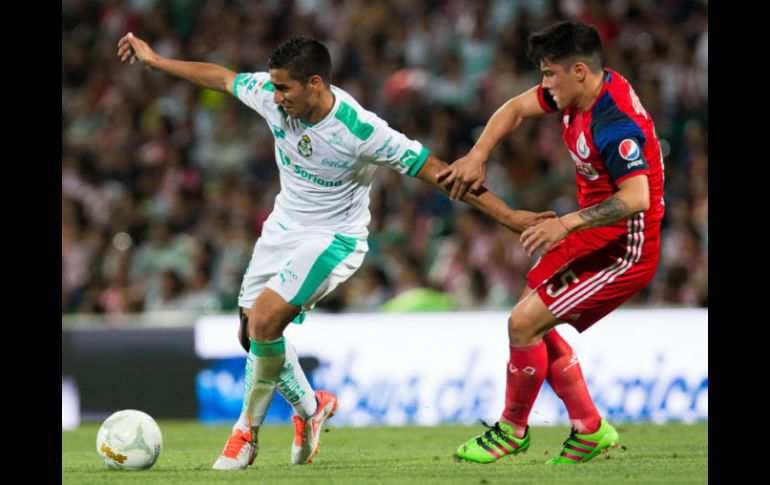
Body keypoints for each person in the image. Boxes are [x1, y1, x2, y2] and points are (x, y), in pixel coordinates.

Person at [117, 33, 554, 470]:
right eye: (273, 85)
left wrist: (509, 216)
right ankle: (311, 409)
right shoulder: (271, 97)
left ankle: (244, 434)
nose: (275, 94)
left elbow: (439, 172)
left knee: (267, 320)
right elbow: (223, 78)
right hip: (283, 228)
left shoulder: (360, 130)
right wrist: (157, 60)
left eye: (285, 87)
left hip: (334, 238)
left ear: (315, 84)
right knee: (252, 334)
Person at [438, 20, 664, 464]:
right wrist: (477, 155)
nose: (544, 85)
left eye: (549, 74)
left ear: (579, 71)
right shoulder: (578, 93)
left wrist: (565, 224)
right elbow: (514, 109)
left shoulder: (612, 122)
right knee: (529, 321)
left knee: (523, 324)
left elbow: (637, 197)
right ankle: (589, 426)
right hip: (589, 235)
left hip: (623, 248)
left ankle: (511, 429)